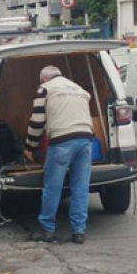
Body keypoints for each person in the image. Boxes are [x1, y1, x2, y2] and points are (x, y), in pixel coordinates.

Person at [24, 65, 94, 244]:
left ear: (45, 79)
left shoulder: (45, 89)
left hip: (62, 141)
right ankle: (79, 231)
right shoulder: (79, 89)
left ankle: (47, 229)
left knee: (52, 187)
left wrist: (29, 148)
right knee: (80, 187)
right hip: (86, 139)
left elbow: (37, 122)